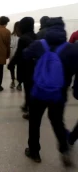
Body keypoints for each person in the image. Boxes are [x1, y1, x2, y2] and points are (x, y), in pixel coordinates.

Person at [23, 17, 78, 166]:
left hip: (38, 91)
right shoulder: (71, 48)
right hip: (58, 94)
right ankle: (64, 149)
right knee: (57, 122)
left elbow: (25, 55)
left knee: (34, 121)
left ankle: (34, 152)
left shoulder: (39, 44)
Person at [8, 17, 36, 119]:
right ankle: (27, 105)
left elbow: (18, 54)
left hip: (25, 67)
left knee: (28, 89)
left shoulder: (23, 38)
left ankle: (30, 110)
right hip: (34, 67)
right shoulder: (35, 36)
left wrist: (11, 64)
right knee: (30, 88)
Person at [8, 21, 21, 90]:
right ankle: (18, 83)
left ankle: (14, 82)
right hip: (16, 54)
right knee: (17, 69)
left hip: (13, 54)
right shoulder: (15, 35)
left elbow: (10, 45)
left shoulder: (12, 35)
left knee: (14, 68)